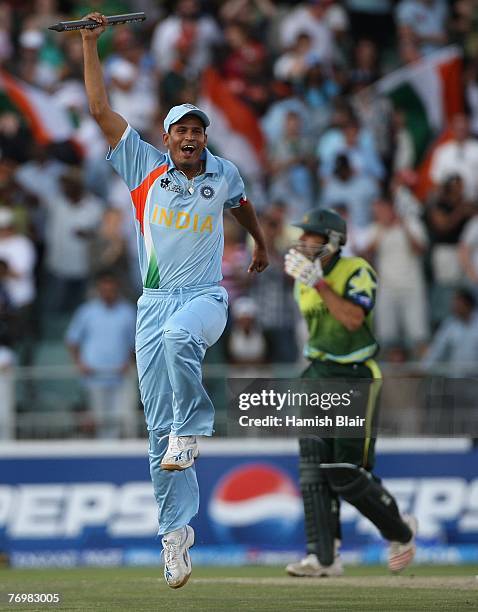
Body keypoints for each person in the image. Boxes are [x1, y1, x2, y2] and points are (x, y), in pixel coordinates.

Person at [79, 13, 268, 589]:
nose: (190, 138)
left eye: (198, 131)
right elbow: (98, 111)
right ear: (166, 138)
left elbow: (240, 204)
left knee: (181, 339)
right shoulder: (143, 166)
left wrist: (260, 243)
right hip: (154, 300)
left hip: (205, 297)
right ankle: (175, 537)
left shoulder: (224, 171)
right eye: (181, 131)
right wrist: (91, 43)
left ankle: (195, 427)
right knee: (157, 434)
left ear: (205, 138)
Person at [283, 208, 417, 577]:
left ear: (333, 240)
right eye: (303, 235)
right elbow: (316, 330)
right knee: (312, 469)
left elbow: (353, 320)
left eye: (312, 235)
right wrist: (312, 281)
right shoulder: (301, 278)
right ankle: (323, 557)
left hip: (355, 374)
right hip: (318, 372)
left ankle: (401, 531)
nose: (304, 241)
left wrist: (321, 284)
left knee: (344, 472)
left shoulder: (357, 271)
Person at [65, 273, 137, 439]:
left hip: (121, 375)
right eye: (104, 290)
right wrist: (80, 363)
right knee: (99, 420)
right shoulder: (86, 311)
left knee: (124, 419)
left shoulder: (127, 312)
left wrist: (130, 362)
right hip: (94, 374)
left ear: (117, 290)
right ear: (98, 291)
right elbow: (72, 340)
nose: (108, 293)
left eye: (111, 290)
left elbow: (136, 343)